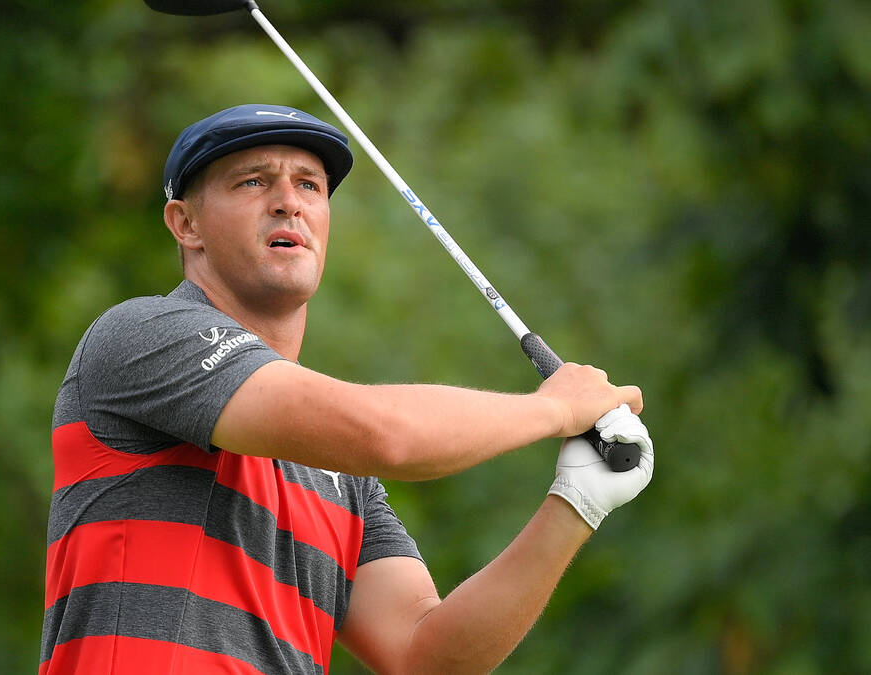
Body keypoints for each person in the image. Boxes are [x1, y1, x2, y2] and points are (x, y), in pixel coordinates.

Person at [39, 104, 654, 674]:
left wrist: (575, 504)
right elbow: (386, 436)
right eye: (253, 181)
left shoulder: (340, 476)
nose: (289, 203)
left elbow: (424, 654)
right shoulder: (140, 334)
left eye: (309, 185)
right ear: (186, 223)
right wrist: (553, 410)